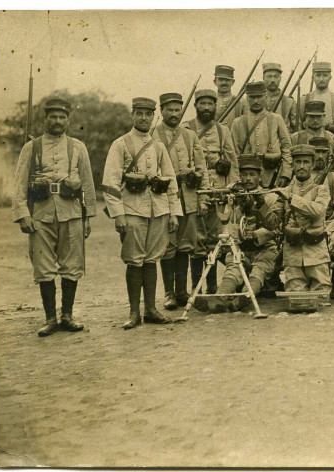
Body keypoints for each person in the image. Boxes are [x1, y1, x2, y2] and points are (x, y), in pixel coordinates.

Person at [12, 97, 97, 336]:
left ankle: (67, 316)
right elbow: (19, 184)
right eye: (53, 117)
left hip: (71, 213)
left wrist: (87, 216)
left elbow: (88, 184)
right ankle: (50, 318)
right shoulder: (31, 147)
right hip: (40, 214)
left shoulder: (78, 147)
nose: (58, 121)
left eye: (62, 117)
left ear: (68, 120)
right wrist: (22, 215)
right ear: (46, 119)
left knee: (72, 265)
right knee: (43, 266)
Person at [102, 97, 181, 329]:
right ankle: (134, 312)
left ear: (154, 116)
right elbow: (111, 182)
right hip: (132, 209)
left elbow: (171, 180)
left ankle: (151, 309)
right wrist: (118, 214)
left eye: (148, 114)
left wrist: (174, 212)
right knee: (134, 260)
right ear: (132, 115)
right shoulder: (121, 144)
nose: (144, 118)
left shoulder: (157, 147)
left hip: (158, 209)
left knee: (152, 258)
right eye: (140, 113)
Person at [194, 155, 283, 313]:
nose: (248, 179)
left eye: (252, 174)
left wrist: (255, 233)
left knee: (259, 270)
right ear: (239, 176)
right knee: (233, 269)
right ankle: (220, 298)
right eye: (244, 174)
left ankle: (245, 298)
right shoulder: (233, 196)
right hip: (240, 248)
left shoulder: (271, 197)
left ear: (260, 176)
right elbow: (226, 220)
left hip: (264, 248)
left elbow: (275, 227)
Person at [153, 92, 209, 310]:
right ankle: (169, 294)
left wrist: (203, 196)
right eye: (170, 110)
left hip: (188, 198)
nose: (174, 114)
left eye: (178, 110)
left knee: (186, 246)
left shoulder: (190, 136)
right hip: (165, 199)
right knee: (168, 245)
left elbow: (201, 168)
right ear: (162, 111)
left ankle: (182, 291)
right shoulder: (154, 135)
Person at [184, 88, 239, 294]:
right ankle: (195, 286)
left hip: (217, 194)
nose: (206, 108)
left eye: (210, 104)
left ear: (215, 106)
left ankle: (212, 286)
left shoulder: (222, 131)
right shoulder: (187, 128)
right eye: (202, 104)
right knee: (195, 240)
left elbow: (232, 162)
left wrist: (232, 188)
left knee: (214, 240)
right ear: (196, 106)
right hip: (194, 192)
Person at [273, 145, 332, 295]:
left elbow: (317, 211)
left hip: (316, 253)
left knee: (321, 298)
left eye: (306, 162)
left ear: (312, 165)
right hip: (292, 253)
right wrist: (260, 204)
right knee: (295, 299)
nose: (301, 166)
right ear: (292, 165)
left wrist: (291, 198)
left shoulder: (321, 189)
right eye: (297, 162)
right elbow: (273, 221)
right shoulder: (284, 191)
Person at [231, 81, 292, 188]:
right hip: (247, 179)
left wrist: (286, 174)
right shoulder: (237, 123)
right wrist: (237, 178)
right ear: (247, 99)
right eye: (252, 97)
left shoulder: (276, 119)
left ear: (265, 97)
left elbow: (287, 148)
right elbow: (234, 154)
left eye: (259, 97)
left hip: (273, 176)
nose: (256, 101)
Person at [299, 62, 334, 170]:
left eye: (325, 75)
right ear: (313, 77)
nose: (321, 79)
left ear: (330, 77)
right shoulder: (305, 99)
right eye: (318, 75)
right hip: (308, 147)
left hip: (331, 147)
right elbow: (300, 125)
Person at [291, 100, 334, 177]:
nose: (315, 120)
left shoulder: (332, 139)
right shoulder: (296, 138)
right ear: (306, 117)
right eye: (312, 117)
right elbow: (289, 162)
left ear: (324, 116)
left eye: (318, 117)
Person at [308, 136, 334, 238]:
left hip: (328, 229)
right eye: (317, 152)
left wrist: (327, 231)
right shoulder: (301, 177)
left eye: (324, 152)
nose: (320, 156)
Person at [263, 62, 298, 133]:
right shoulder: (257, 101)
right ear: (263, 78)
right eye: (269, 76)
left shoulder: (289, 102)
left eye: (276, 76)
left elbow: (296, 129)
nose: (273, 80)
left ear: (280, 79)